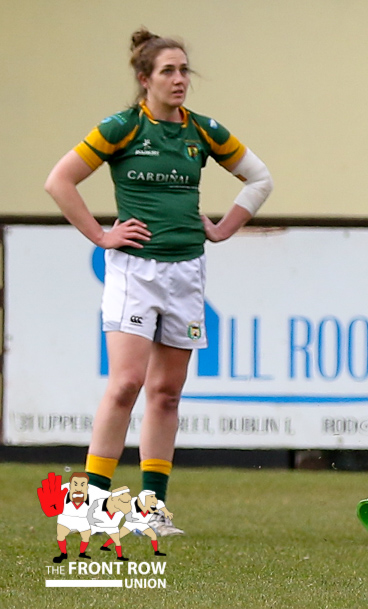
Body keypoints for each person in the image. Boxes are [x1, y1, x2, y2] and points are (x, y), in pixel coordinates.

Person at [43, 28, 273, 536]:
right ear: (145, 79)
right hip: (134, 271)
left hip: (186, 272)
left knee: (167, 393)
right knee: (126, 383)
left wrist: (224, 227)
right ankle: (89, 508)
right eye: (168, 70)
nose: (179, 79)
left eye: (184, 69)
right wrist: (101, 235)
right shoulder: (122, 128)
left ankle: (151, 511)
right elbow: (59, 181)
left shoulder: (203, 131)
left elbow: (261, 178)